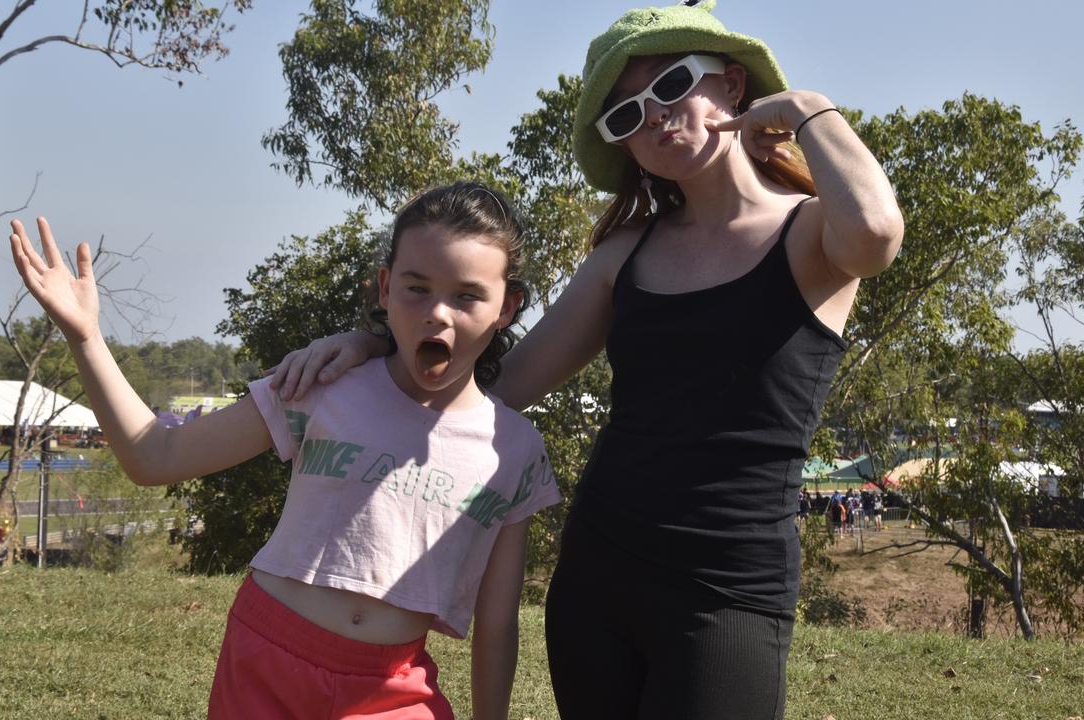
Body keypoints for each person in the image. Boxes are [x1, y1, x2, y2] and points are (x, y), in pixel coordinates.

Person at [263, 3, 902, 717]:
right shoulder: (625, 256)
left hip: (729, 587)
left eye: (670, 85)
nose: (653, 116)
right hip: (598, 575)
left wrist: (810, 110)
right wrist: (376, 346)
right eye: (625, 115)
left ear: (729, 85)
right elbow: (501, 384)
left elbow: (877, 232)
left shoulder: (811, 234)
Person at [8, 181, 561, 720]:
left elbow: (497, 623)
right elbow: (156, 458)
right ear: (386, 288)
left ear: (507, 307)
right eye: (417, 287)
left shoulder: (513, 449)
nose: (438, 313)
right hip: (265, 661)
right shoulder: (320, 382)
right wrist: (85, 336)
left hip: (395, 688)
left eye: (467, 295)